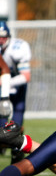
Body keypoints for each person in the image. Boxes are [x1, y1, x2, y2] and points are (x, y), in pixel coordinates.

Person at [0, 21, 31, 164]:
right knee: (1, 122)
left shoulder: (18, 48)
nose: (0, 41)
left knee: (16, 122)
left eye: (2, 37)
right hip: (2, 86)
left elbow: (26, 76)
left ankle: (17, 150)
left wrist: (6, 82)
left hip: (16, 85)